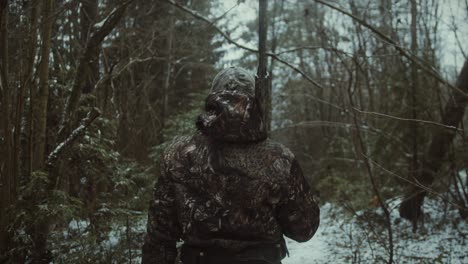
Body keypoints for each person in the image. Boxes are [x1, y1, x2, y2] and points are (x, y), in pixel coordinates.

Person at [141, 67, 320, 264]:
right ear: (255, 99)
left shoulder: (178, 153)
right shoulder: (280, 158)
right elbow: (304, 230)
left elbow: (159, 237)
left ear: (212, 99)